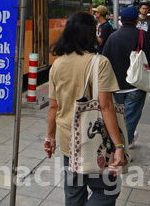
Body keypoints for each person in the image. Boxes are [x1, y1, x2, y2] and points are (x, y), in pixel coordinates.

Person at [44, 12, 126, 204]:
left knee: (74, 193)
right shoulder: (100, 63)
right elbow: (105, 106)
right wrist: (119, 145)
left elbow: (53, 107)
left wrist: (50, 137)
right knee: (108, 191)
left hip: (68, 140)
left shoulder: (57, 64)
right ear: (91, 34)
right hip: (96, 141)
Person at [102, 7, 150, 150]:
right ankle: (124, 147)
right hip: (136, 85)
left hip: (116, 85)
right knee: (131, 118)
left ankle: (119, 143)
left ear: (120, 19)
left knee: (118, 117)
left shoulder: (113, 36)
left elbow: (104, 60)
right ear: (137, 20)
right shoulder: (142, 35)